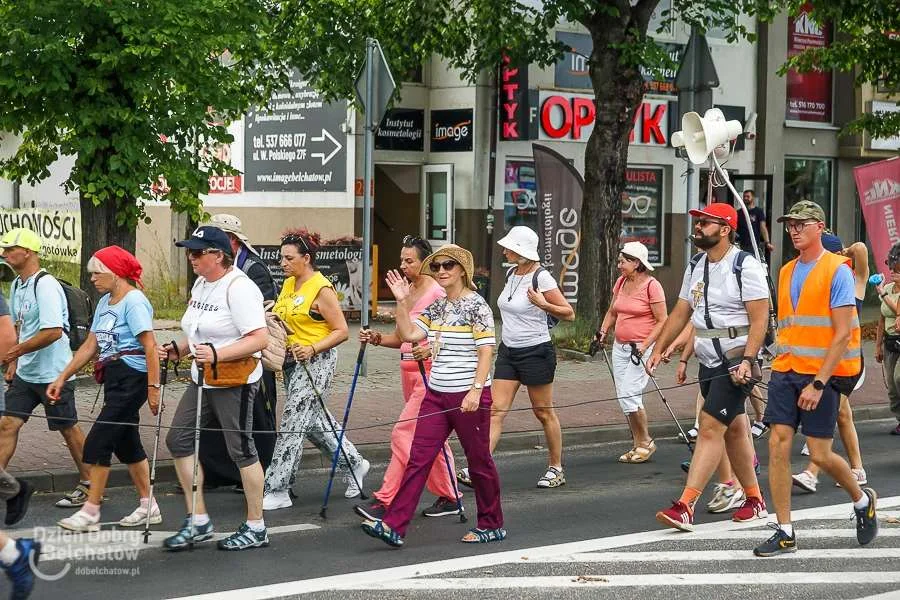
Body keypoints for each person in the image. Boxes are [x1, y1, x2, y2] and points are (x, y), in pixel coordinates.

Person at [754, 200, 878, 557]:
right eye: (790, 225)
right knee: (778, 443)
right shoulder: (786, 270)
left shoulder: (837, 270)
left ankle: (860, 499)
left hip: (821, 376)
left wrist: (819, 382)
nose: (793, 230)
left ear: (820, 227)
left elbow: (840, 334)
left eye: (801, 224)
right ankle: (785, 530)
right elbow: (790, 326)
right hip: (786, 369)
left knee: (821, 454)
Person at [361, 244, 505, 547]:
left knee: (479, 461)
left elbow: (486, 351)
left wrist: (476, 391)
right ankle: (394, 526)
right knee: (418, 458)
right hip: (436, 393)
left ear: (462, 270)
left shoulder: (476, 305)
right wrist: (401, 302)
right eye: (437, 266)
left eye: (448, 266)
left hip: (467, 394)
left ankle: (492, 523)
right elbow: (410, 335)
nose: (441, 271)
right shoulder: (439, 305)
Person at [647, 203, 770, 532]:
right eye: (698, 223)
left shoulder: (746, 267)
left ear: (726, 229)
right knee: (735, 430)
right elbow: (681, 312)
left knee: (710, 427)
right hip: (708, 360)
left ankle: (686, 505)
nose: (698, 227)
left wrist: (748, 359)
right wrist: (660, 350)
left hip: (736, 358)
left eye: (705, 223)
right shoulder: (696, 265)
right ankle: (755, 500)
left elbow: (760, 319)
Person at [161, 225, 270, 551]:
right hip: (203, 376)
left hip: (233, 379)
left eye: (197, 252)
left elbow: (259, 338)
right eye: (189, 251)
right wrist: (179, 349)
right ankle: (198, 520)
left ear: (218, 255)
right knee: (178, 439)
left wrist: (217, 353)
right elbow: (197, 329)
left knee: (241, 450)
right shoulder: (202, 284)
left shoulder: (239, 288)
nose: (190, 257)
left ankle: (256, 526)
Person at [49, 246, 162, 532]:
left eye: (97, 273)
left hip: (133, 377)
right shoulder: (104, 303)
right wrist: (63, 376)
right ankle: (149, 505)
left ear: (116, 274)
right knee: (127, 442)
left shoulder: (133, 301)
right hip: (112, 376)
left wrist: (153, 387)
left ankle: (90, 510)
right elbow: (90, 345)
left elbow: (149, 345)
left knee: (99, 440)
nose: (92, 279)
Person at [355, 235, 462, 521]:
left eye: (409, 260)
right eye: (401, 259)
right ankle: (450, 495)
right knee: (431, 437)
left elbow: (443, 335)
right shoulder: (409, 290)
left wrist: (429, 351)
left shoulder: (436, 293)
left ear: (425, 261)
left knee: (403, 433)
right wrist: (377, 338)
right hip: (408, 374)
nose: (403, 265)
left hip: (430, 375)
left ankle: (387, 500)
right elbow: (403, 337)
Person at [458, 226, 574, 487]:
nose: (504, 250)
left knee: (543, 412)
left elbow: (568, 312)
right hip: (509, 352)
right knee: (495, 411)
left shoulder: (541, 277)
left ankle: (556, 468)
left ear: (521, 250)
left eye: (509, 247)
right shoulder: (512, 273)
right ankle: (479, 467)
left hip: (536, 352)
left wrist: (544, 304)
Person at [262, 230, 368, 511]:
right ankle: (355, 464)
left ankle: (278, 487)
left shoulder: (321, 288)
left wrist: (312, 348)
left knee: (292, 422)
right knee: (312, 422)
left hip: (317, 361)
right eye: (281, 257)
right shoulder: (288, 285)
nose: (282, 263)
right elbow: (290, 318)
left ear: (306, 258)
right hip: (291, 362)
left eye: (288, 258)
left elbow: (342, 331)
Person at [0, 228, 90, 508]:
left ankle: (89, 484)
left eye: (9, 248)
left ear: (27, 252)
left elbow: (52, 331)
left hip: (55, 374)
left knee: (68, 428)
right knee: (7, 424)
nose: (4, 253)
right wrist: (15, 362)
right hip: (27, 374)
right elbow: (21, 327)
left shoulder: (46, 284)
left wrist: (16, 351)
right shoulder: (17, 285)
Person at [200, 214, 277, 492]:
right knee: (218, 420)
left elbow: (263, 316)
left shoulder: (254, 270)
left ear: (231, 241)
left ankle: (264, 473)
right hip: (221, 357)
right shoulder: (211, 272)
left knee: (256, 416)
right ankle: (222, 473)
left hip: (251, 358)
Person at [792, 233, 868, 492]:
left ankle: (812, 472)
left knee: (832, 409)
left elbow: (861, 248)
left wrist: (843, 251)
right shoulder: (819, 283)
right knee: (844, 416)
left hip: (848, 364)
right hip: (824, 362)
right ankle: (857, 469)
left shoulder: (853, 281)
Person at [597, 241, 666, 463]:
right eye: (619, 260)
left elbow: (662, 320)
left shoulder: (651, 286)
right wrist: (602, 331)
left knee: (629, 393)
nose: (619, 265)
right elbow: (612, 311)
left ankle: (645, 441)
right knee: (624, 396)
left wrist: (646, 345)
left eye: (623, 261)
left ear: (637, 263)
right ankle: (638, 443)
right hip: (620, 347)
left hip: (641, 349)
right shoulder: (621, 282)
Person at [876, 242, 900, 436]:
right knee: (891, 387)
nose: (893, 272)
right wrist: (878, 346)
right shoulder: (889, 288)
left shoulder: (886, 291)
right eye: (892, 269)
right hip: (890, 342)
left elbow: (897, 310)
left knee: (899, 378)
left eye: (897, 270)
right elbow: (882, 320)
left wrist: (882, 293)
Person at [736, 190, 774, 255]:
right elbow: (734, 227)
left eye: (748, 196)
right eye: (744, 196)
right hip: (741, 244)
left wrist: (767, 242)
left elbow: (763, 227)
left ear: (753, 197)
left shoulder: (758, 212)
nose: (745, 198)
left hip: (754, 244)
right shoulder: (739, 212)